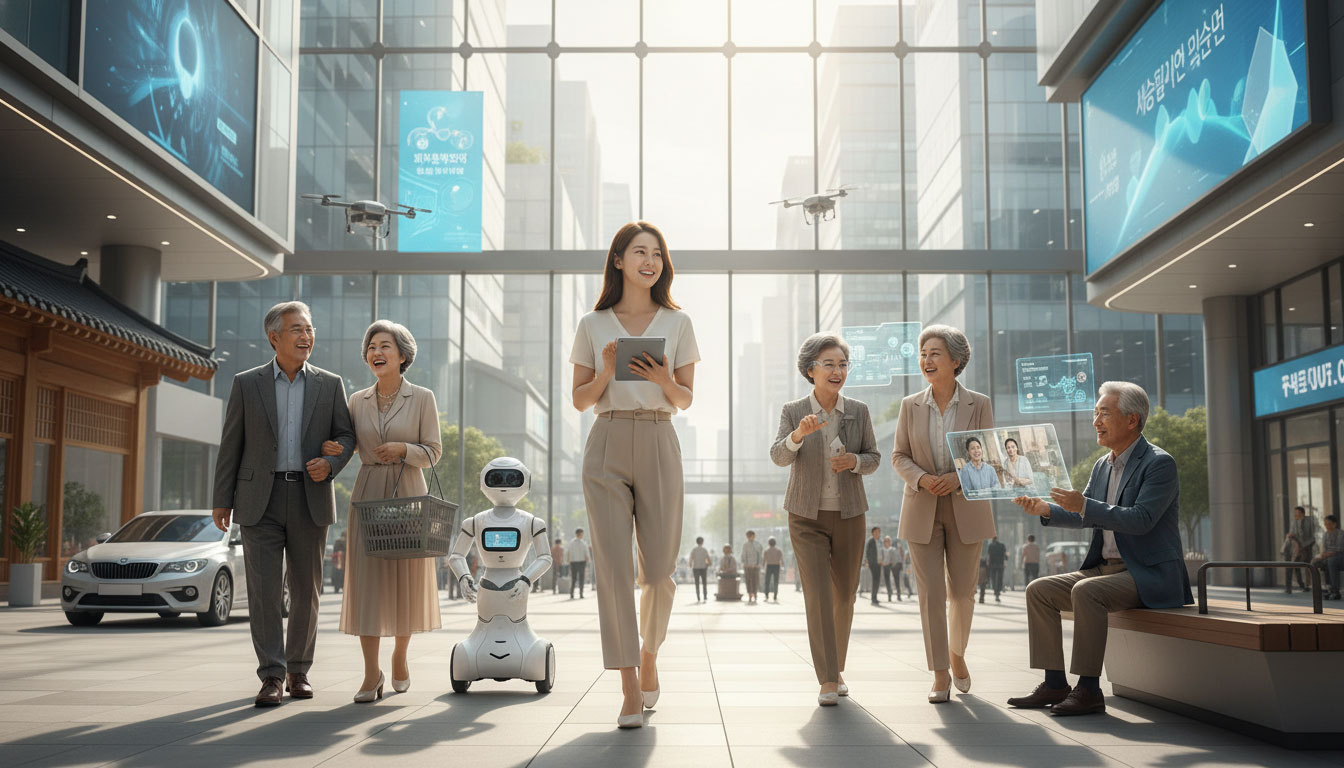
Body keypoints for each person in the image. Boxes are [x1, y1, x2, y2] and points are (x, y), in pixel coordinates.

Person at [571, 221, 699, 728]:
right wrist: (604, 373)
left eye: (657, 254)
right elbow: (580, 399)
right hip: (606, 440)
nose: (650, 261)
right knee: (613, 570)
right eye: (639, 252)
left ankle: (649, 654)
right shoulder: (593, 322)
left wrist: (662, 378)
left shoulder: (678, 321)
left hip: (659, 437)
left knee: (662, 570)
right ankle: (627, 685)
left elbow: (686, 398)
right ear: (618, 260)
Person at [1007, 381, 1192, 717]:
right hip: (1105, 569)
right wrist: (1045, 510)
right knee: (1039, 590)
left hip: (1147, 573)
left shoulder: (1159, 464)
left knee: (1086, 592)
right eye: (1095, 413)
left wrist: (1084, 505)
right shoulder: (1102, 465)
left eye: (1104, 414)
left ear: (1132, 420)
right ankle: (1054, 683)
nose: (1096, 421)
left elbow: (1142, 519)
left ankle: (1089, 690)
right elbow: (1084, 514)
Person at [211, 301, 356, 708]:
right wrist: (222, 499)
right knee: (264, 591)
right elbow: (231, 444)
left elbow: (347, 436)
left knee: (307, 590)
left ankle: (299, 671)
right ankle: (271, 676)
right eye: (297, 329)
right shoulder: (246, 383)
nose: (306, 336)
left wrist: (330, 462)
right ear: (274, 336)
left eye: (309, 329)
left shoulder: (330, 384)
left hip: (310, 497)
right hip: (259, 499)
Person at [322, 320, 443, 702]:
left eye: (385, 346)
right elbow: (347, 442)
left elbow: (434, 452)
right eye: (372, 346)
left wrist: (404, 450)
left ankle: (401, 656)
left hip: (407, 490)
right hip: (369, 492)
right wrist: (332, 449)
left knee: (404, 578)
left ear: (403, 355)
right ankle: (371, 672)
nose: (376, 352)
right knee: (368, 583)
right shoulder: (356, 400)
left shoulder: (422, 398)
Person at [770, 332, 880, 707]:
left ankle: (836, 667)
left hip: (850, 513)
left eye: (843, 364)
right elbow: (778, 457)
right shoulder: (792, 410)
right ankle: (828, 679)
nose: (837, 371)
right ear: (810, 370)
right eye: (829, 364)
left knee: (845, 596)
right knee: (817, 595)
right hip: (805, 515)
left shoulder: (859, 411)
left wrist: (855, 461)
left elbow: (874, 457)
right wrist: (798, 436)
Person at [891, 324, 994, 704]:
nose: (926, 360)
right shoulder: (909, 406)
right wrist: (921, 479)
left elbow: (989, 454)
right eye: (923, 354)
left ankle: (957, 654)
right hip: (921, 508)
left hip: (967, 506)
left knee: (963, 594)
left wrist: (956, 478)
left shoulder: (978, 404)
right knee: (931, 594)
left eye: (934, 354)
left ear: (956, 360)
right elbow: (898, 455)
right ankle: (939, 673)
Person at [1285, 506, 1318, 593]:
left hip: (1307, 548)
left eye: (1297, 513)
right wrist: (1290, 535)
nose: (1295, 515)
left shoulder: (1310, 521)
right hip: (1296, 548)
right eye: (1295, 513)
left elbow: (1313, 536)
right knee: (1291, 566)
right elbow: (1292, 533)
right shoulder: (1294, 522)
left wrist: (1304, 546)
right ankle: (1290, 587)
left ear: (1302, 513)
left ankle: (1306, 585)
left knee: (1306, 567)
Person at [1313, 515, 1343, 600]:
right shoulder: (1325, 535)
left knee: (1330, 561)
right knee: (1315, 563)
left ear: (1334, 524)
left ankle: (1335, 591)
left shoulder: (1340, 533)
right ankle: (1324, 588)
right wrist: (1321, 556)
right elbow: (1324, 549)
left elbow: (1339, 549)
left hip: (1340, 557)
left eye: (1329, 524)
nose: (1327, 526)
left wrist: (1326, 554)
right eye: (1325, 524)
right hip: (1329, 557)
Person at [741, 530, 764, 605]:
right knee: (748, 581)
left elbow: (760, 555)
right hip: (747, 566)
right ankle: (750, 595)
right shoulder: (745, 545)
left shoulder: (758, 544)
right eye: (748, 536)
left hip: (755, 566)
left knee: (755, 580)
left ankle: (755, 594)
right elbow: (743, 555)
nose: (750, 537)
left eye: (751, 536)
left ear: (754, 536)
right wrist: (744, 563)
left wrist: (759, 564)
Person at [568, 529, 589, 599]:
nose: (583, 535)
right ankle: (580, 594)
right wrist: (587, 562)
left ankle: (572, 594)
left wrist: (569, 561)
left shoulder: (572, 542)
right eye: (582, 533)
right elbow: (587, 554)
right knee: (581, 578)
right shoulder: (583, 543)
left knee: (574, 579)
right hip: (580, 563)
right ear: (580, 534)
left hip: (574, 562)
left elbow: (568, 552)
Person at [864, 527, 883, 607]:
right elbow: (868, 553)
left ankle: (875, 597)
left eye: (879, 532)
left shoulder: (879, 542)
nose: (878, 533)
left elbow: (881, 552)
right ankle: (873, 598)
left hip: (879, 564)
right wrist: (870, 562)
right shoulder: (871, 541)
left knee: (877, 581)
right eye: (876, 532)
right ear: (873, 533)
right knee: (875, 580)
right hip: (873, 564)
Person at [690, 537, 711, 602]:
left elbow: (691, 559)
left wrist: (691, 565)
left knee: (697, 583)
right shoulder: (704, 550)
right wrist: (708, 564)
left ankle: (698, 597)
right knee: (704, 583)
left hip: (696, 568)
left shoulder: (694, 550)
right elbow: (708, 559)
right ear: (702, 542)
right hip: (703, 567)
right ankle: (705, 596)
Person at [881, 535, 901, 602]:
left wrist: (893, 563)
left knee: (896, 580)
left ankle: (898, 595)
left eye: (888, 541)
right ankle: (889, 595)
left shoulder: (893, 549)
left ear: (890, 542)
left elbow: (896, 558)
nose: (887, 542)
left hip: (893, 565)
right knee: (887, 581)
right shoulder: (882, 549)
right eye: (885, 541)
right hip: (885, 566)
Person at [987, 536, 1007, 602]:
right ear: (997, 539)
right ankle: (998, 591)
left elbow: (989, 555)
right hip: (1000, 564)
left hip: (992, 564)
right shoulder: (1002, 545)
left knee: (993, 578)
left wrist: (988, 564)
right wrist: (1005, 562)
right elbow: (1005, 555)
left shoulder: (990, 546)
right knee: (1000, 578)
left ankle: (995, 591)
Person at [763, 537, 783, 602]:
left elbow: (764, 560)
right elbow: (781, 559)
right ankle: (775, 596)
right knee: (776, 581)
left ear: (769, 543)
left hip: (769, 566)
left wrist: (763, 568)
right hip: (776, 566)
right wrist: (782, 566)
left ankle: (766, 595)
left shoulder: (766, 550)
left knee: (767, 581)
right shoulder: (778, 550)